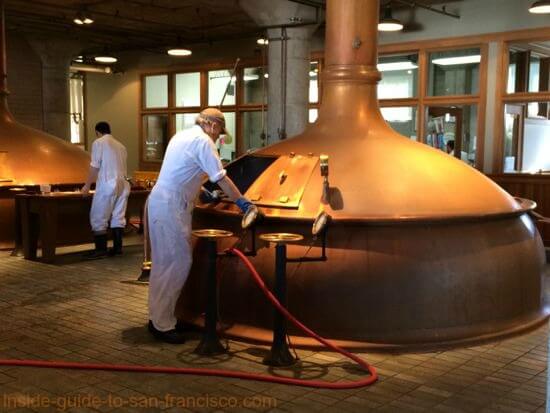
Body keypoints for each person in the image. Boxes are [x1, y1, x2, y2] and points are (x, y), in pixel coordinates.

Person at [147, 108, 254, 344]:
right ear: (213, 126)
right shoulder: (204, 141)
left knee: (164, 263)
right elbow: (221, 176)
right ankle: (162, 325)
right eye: (219, 133)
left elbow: (183, 171)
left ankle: (158, 318)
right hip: (171, 206)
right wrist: (243, 202)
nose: (218, 138)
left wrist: (204, 192)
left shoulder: (182, 136)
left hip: (163, 201)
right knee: (177, 262)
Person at [82, 122, 130, 259]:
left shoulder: (99, 143)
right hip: (123, 184)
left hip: (107, 184)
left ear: (97, 132)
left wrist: (87, 186)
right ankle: (117, 248)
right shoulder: (121, 146)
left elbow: (95, 166)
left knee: (98, 217)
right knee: (118, 216)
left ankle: (101, 250)